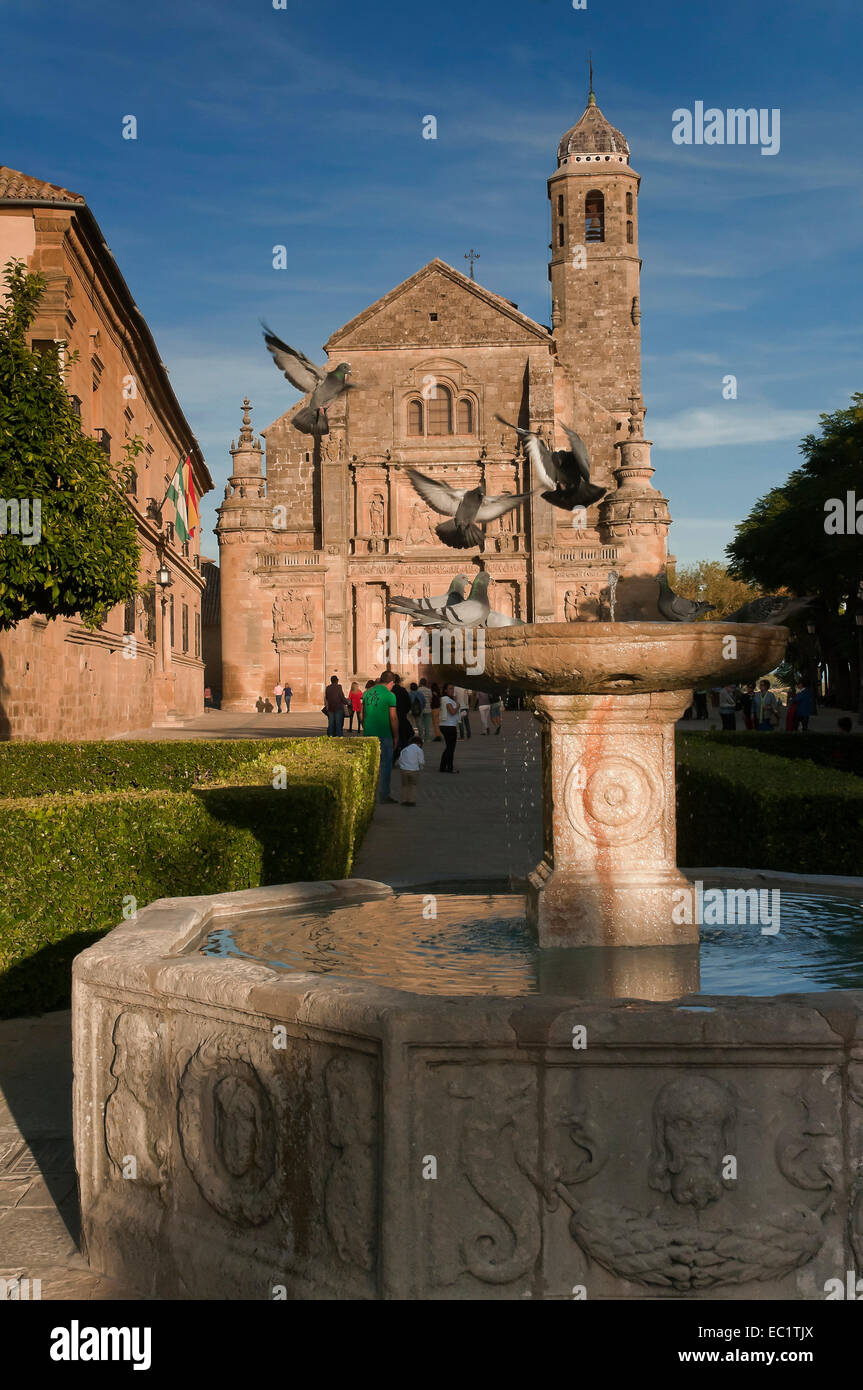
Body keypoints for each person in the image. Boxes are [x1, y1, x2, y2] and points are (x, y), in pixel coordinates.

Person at [362, 671, 399, 803]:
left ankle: (367, 794)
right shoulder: (390, 696)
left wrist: (366, 727)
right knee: (385, 765)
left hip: (369, 733)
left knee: (370, 764)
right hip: (384, 734)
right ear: (391, 682)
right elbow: (393, 718)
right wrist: (396, 736)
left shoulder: (366, 694)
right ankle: (383, 795)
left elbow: (362, 715)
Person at [396, 733, 425, 806]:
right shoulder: (419, 750)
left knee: (404, 785)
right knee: (412, 785)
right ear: (419, 744)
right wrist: (421, 767)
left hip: (404, 770)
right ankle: (411, 800)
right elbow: (421, 761)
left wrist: (402, 766)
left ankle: (404, 800)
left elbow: (400, 760)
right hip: (414, 770)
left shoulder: (404, 749)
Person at [439, 684, 460, 773]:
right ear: (445, 690)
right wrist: (458, 705)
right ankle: (449, 768)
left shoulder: (448, 699)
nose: (452, 690)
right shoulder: (445, 699)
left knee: (449, 747)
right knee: (451, 748)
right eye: (450, 689)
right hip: (448, 726)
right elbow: (452, 712)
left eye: (453, 689)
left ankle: (443, 767)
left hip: (448, 725)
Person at [392, 674, 415, 748]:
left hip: (391, 717)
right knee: (404, 738)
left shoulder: (389, 691)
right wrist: (404, 712)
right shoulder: (403, 690)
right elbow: (408, 703)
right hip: (402, 717)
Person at [415, 678, 433, 743]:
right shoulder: (429, 690)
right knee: (427, 725)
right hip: (428, 709)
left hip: (420, 709)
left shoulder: (417, 690)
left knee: (420, 725)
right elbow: (431, 700)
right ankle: (427, 738)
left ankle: (420, 737)